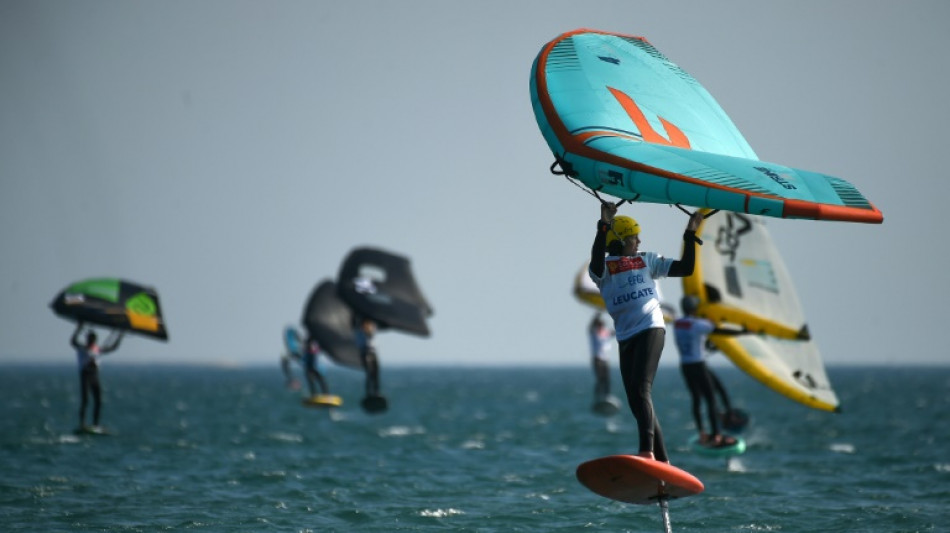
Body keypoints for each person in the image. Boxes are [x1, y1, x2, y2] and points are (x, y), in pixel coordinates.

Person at [588, 202, 703, 462]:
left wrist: (690, 233)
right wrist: (603, 224)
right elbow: (596, 255)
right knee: (635, 401)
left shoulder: (647, 260)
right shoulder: (602, 270)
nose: (639, 241)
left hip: (651, 328)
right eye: (633, 237)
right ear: (619, 239)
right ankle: (662, 460)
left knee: (641, 390)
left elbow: (686, 268)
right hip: (625, 337)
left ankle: (647, 452)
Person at [673, 295, 745, 447]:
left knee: (697, 399)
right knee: (711, 398)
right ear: (694, 309)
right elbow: (720, 330)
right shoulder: (699, 324)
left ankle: (703, 432)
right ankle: (717, 435)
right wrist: (742, 331)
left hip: (686, 366)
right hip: (699, 365)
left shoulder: (678, 323)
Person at [70, 322, 123, 429]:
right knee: (85, 400)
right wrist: (79, 328)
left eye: (93, 339)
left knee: (98, 401)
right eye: (90, 339)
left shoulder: (97, 349)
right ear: (87, 339)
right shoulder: (82, 348)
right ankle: (82, 424)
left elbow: (112, 348)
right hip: (86, 374)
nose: (91, 341)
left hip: (95, 375)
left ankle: (95, 424)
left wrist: (120, 335)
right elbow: (73, 342)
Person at [588, 313, 615, 401]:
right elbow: (591, 326)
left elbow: (615, 332)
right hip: (597, 359)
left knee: (607, 380)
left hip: (605, 360)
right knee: (600, 379)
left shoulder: (605, 332)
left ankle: (607, 397)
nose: (601, 326)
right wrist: (597, 315)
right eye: (599, 325)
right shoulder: (594, 332)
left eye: (602, 325)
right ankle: (597, 397)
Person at [354, 317, 380, 397]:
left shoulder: (371, 327)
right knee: (369, 372)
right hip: (365, 352)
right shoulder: (358, 329)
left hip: (372, 351)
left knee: (375, 373)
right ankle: (368, 394)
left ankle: (376, 393)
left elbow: (372, 333)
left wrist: (369, 328)